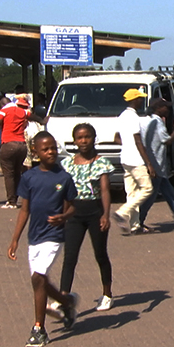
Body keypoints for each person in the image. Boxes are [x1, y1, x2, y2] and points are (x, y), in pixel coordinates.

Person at [7, 131, 79, 347]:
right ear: (35, 152)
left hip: (54, 236)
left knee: (38, 278)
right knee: (39, 281)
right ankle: (66, 302)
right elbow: (24, 210)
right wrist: (15, 239)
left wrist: (63, 217)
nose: (51, 152)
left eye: (53, 148)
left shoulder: (64, 178)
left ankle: (39, 329)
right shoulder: (29, 177)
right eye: (45, 149)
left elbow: (72, 207)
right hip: (35, 237)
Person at [58, 123, 115, 312]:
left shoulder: (101, 163)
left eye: (87, 137)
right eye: (80, 138)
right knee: (70, 256)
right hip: (74, 213)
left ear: (93, 139)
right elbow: (64, 192)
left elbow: (105, 190)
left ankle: (107, 294)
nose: (83, 141)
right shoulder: (67, 164)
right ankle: (63, 296)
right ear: (74, 141)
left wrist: (105, 215)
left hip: (95, 212)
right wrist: (63, 215)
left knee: (100, 254)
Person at [0, 95, 43, 209]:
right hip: (22, 146)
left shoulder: (3, 112)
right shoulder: (23, 111)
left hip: (8, 145)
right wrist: (44, 121)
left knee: (9, 174)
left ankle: (11, 201)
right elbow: (35, 117)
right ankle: (17, 197)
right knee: (17, 173)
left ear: (2, 105)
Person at [139, 98, 174, 232]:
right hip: (156, 165)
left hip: (157, 165)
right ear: (158, 108)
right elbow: (167, 141)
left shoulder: (146, 120)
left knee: (169, 193)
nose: (168, 109)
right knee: (150, 197)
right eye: (165, 107)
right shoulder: (157, 122)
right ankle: (138, 221)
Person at [112, 89, 154, 233]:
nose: (142, 101)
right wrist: (148, 163)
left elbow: (116, 138)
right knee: (147, 189)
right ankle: (122, 213)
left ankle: (135, 226)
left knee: (132, 193)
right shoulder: (134, 117)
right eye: (140, 98)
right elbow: (138, 140)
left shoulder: (122, 116)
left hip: (125, 158)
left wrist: (127, 144)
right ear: (134, 100)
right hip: (136, 159)